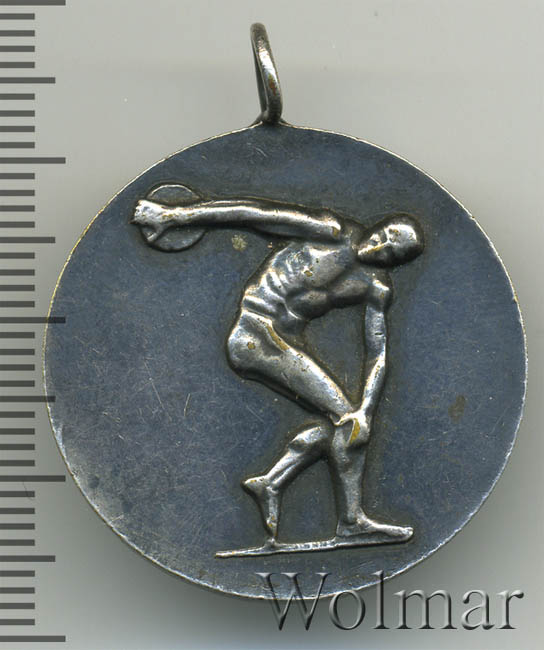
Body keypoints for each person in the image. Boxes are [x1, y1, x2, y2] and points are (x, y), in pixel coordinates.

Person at [133, 192, 424, 546]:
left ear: (396, 263)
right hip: (254, 333)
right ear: (380, 225)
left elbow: (377, 353)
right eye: (386, 235)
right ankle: (350, 521)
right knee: (346, 422)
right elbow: (256, 213)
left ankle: (272, 482)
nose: (382, 246)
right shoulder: (329, 231)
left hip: (281, 342)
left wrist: (368, 409)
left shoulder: (376, 286)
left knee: (346, 425)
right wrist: (175, 216)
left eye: (393, 252)